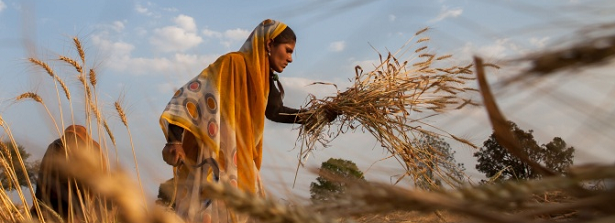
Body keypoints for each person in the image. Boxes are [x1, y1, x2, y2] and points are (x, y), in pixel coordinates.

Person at [159, 19, 336, 222]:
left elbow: (275, 111)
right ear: (269, 45)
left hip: (243, 163)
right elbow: (188, 96)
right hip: (217, 160)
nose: (290, 59)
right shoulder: (231, 63)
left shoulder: (265, 80)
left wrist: (317, 115)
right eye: (288, 50)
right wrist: (174, 141)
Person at [31, 125, 108, 222]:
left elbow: (102, 181)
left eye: (75, 139)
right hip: (56, 200)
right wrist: (38, 204)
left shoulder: (94, 150)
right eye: (68, 138)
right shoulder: (56, 147)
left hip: (84, 200)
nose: (72, 142)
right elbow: (43, 177)